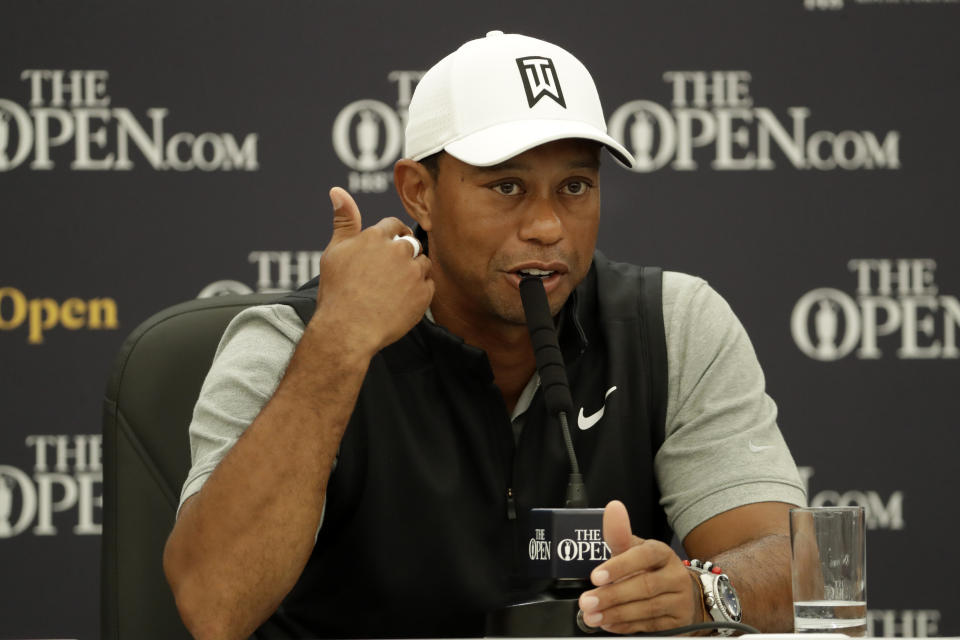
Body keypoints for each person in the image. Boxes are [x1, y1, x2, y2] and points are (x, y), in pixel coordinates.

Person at [163, 31, 806, 639]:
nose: (549, 226)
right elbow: (215, 607)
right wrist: (338, 345)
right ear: (419, 193)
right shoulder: (291, 341)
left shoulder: (672, 324)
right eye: (507, 187)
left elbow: (798, 571)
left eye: (575, 186)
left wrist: (700, 590)